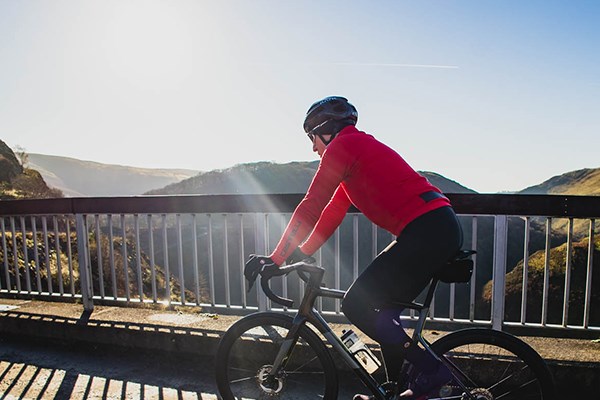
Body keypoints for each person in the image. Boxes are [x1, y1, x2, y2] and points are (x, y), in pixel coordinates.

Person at [244, 96, 463, 399]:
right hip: (435, 227)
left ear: (326, 130)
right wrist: (301, 253)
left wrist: (276, 258)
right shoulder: (355, 153)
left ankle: (433, 371)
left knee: (356, 304)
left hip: (426, 230)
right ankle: (395, 391)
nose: (313, 147)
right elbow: (330, 214)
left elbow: (310, 207)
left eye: (312, 137)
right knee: (385, 313)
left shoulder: (342, 148)